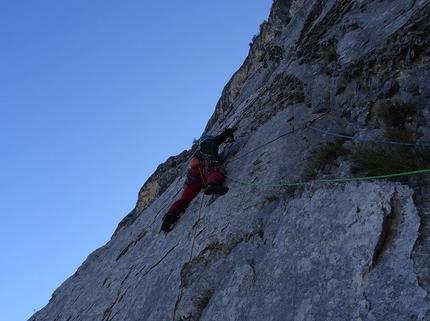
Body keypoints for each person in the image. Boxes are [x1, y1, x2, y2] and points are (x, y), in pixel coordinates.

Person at [161, 128, 236, 232]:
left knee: (184, 200)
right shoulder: (213, 142)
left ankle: (169, 216)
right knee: (213, 173)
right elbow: (223, 135)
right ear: (209, 139)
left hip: (193, 175)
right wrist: (231, 130)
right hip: (206, 165)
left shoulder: (198, 151)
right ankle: (211, 186)